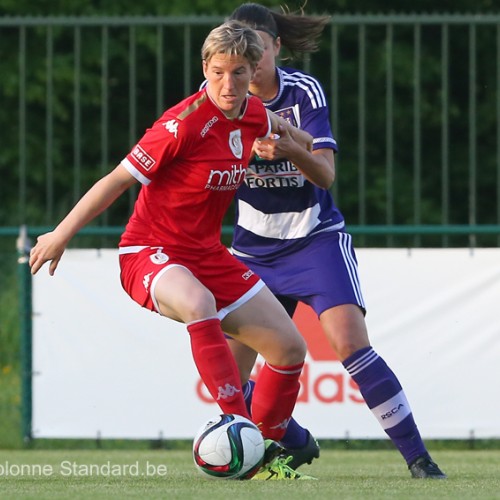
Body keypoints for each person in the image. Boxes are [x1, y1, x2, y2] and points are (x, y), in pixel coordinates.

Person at [29, 20, 317, 481]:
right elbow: (117, 180)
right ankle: (234, 419)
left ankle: (259, 455)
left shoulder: (253, 115)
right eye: (219, 71)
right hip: (150, 250)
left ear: (254, 71)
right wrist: (61, 233)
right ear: (205, 67)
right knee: (198, 302)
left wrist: (301, 143)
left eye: (240, 72)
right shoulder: (182, 124)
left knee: (289, 348)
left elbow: (280, 126)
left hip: (207, 254)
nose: (228, 83)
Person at [225, 3, 447, 479]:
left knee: (351, 344)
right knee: (227, 374)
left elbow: (325, 175)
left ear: (276, 47)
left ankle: (419, 460)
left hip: (314, 240)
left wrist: (287, 147)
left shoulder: (302, 91)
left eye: (258, 50)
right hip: (252, 250)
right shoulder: (220, 98)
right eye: (240, 54)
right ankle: (292, 443)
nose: (250, 64)